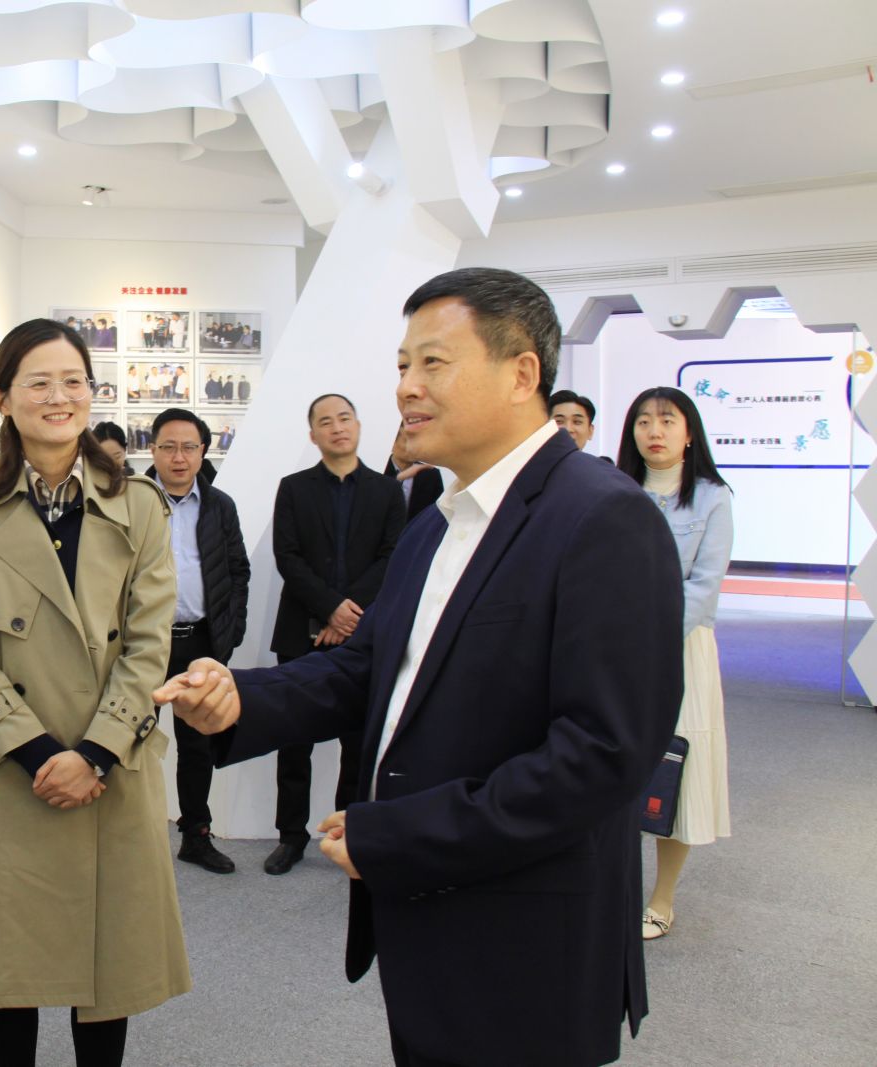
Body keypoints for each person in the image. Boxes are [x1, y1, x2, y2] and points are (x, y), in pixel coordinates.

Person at [156, 267, 683, 1067]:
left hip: (526, 934)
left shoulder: (603, 516)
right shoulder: (437, 523)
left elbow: (602, 754)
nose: (406, 387)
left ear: (522, 373)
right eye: (402, 365)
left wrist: (400, 834)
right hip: (425, 910)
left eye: (433, 362)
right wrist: (242, 700)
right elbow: (366, 669)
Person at [0, 317, 189, 1067]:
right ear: (4, 398)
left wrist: (93, 754)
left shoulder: (138, 503)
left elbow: (149, 642)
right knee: (11, 968)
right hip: (12, 767)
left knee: (107, 970)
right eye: (38, 382)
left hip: (110, 765)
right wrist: (38, 753)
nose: (59, 396)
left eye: (74, 381)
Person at [264, 394, 405, 876]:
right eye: (326, 422)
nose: (337, 427)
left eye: (344, 418)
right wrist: (329, 609)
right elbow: (287, 556)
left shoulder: (387, 492)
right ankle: (290, 836)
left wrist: (347, 613)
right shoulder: (293, 488)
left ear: (359, 426)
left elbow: (392, 557)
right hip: (301, 632)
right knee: (293, 740)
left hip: (364, 635)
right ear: (313, 435)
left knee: (357, 744)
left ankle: (346, 834)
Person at [616, 386, 734, 942]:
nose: (654, 431)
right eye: (643, 421)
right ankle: (610, 889)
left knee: (676, 770)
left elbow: (704, 586)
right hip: (612, 646)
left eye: (666, 420)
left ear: (689, 433)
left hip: (679, 649)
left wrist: (651, 638)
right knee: (609, 763)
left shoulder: (711, 498)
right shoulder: (614, 489)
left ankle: (662, 898)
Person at [149, 408, 249, 874]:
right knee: (134, 741)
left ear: (203, 451)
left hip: (199, 642)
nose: (179, 457)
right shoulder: (132, 501)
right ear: (153, 450)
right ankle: (134, 838)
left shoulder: (219, 505)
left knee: (197, 747)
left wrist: (229, 634)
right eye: (168, 447)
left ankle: (196, 836)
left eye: (188, 447)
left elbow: (237, 570)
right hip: (145, 644)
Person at [383, 422, 444, 522]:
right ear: (393, 443)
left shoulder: (431, 475)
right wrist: (398, 479)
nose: (413, 447)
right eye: (407, 440)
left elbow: (438, 514)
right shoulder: (379, 471)